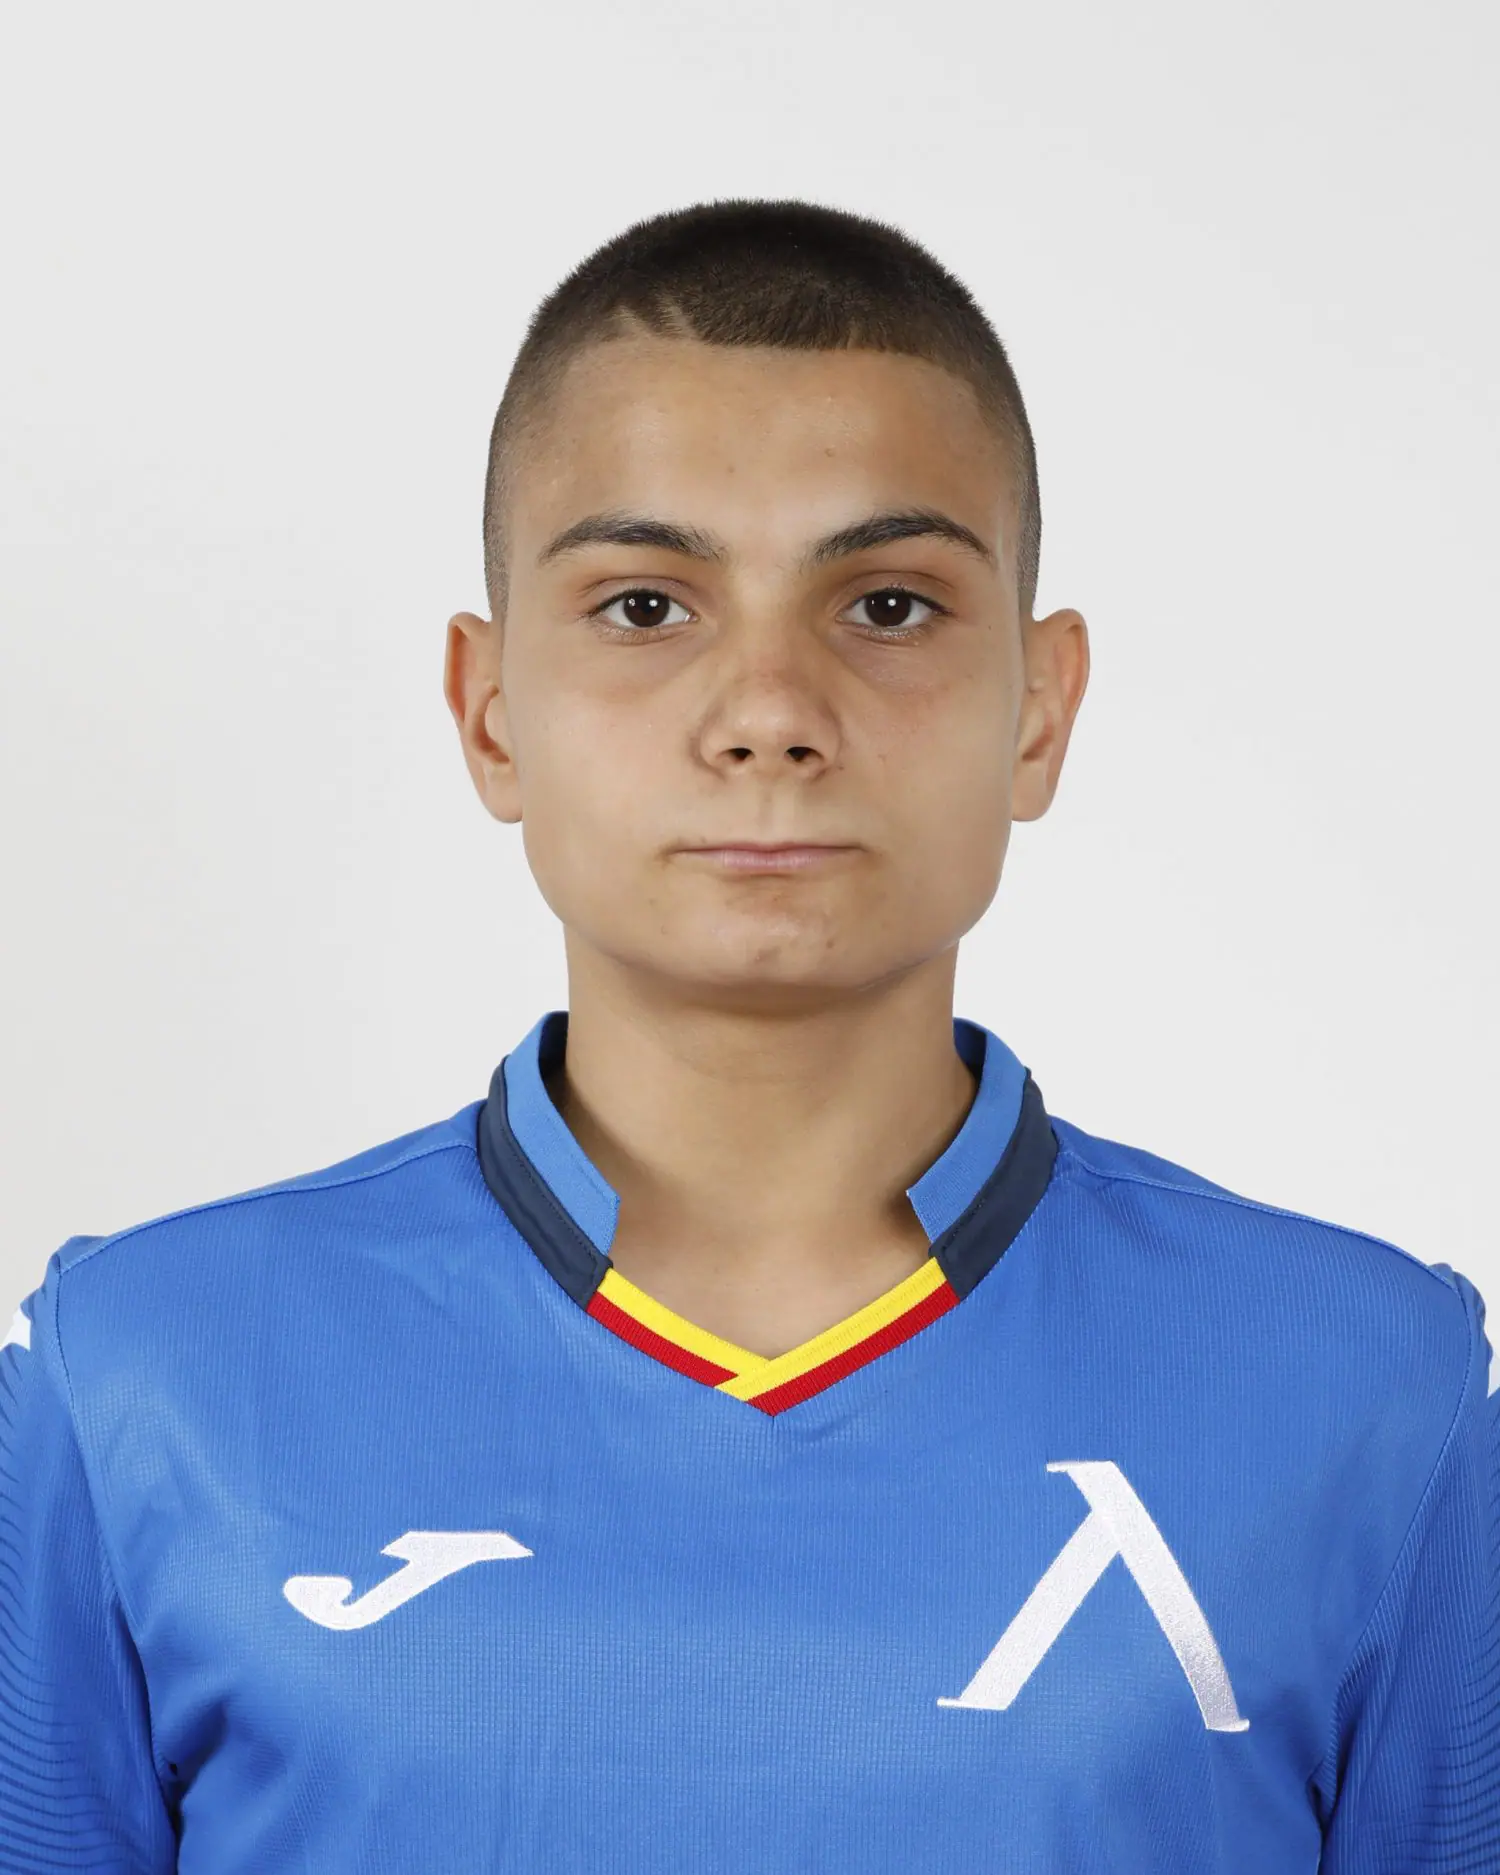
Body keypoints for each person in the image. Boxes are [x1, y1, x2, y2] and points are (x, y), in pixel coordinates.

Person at [1, 200, 1494, 1874]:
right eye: (647, 605)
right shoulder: (133, 1377)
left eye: (890, 606)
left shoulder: (1375, 1389)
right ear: (490, 712)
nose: (771, 711)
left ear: (1040, 708)